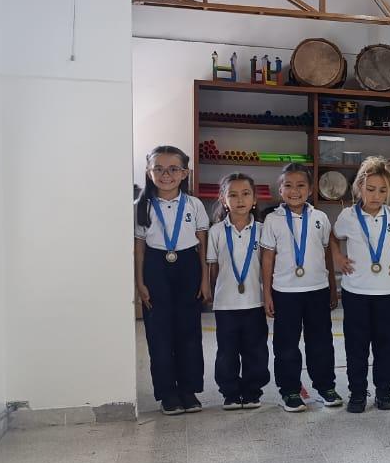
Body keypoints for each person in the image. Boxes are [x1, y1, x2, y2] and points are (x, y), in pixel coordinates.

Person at [134, 145, 210, 415]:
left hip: (188, 265)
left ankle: (188, 391)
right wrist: (140, 282)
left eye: (173, 169)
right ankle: (168, 393)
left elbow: (202, 244)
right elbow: (140, 247)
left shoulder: (194, 205)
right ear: (148, 171)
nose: (166, 174)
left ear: (184, 173)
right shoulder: (141, 206)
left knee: (188, 332)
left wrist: (204, 278)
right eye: (159, 168)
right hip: (155, 267)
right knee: (159, 333)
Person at [260, 163, 338, 412]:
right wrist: (267, 293)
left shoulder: (320, 218)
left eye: (301, 185)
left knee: (321, 342)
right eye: (288, 185)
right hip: (285, 292)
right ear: (280, 190)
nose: (295, 191)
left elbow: (327, 254)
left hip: (317, 290)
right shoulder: (272, 220)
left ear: (311, 189)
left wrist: (333, 287)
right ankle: (290, 390)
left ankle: (325, 385)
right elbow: (267, 259)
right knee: (286, 345)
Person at [331, 157, 390, 413]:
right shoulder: (348, 216)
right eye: (370, 189)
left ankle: (384, 391)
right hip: (356, 292)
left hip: (384, 291)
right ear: (359, 187)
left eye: (383, 190)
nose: (376, 195)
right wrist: (338, 256)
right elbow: (333, 236)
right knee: (356, 345)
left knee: (386, 345)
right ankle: (358, 392)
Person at [207, 173, 269, 409]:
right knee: (226, 352)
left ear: (254, 199)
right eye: (233, 194)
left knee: (256, 351)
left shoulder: (263, 230)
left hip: (255, 302)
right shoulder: (216, 232)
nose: (240, 199)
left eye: (245, 194)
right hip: (226, 304)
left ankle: (253, 391)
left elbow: (268, 266)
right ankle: (230, 392)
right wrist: (213, 291)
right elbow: (212, 267)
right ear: (224, 200)